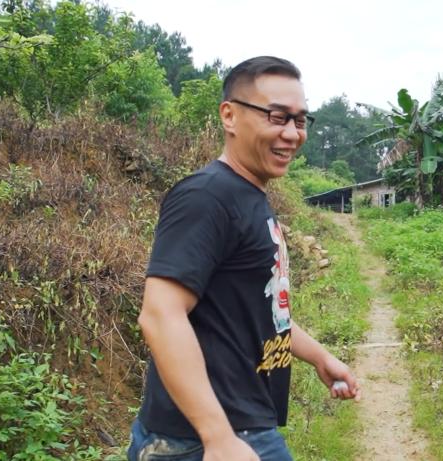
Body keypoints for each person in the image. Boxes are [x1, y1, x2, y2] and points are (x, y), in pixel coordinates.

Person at [128, 56, 360, 461]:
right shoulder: (206, 197)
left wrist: (319, 356)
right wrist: (217, 436)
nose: (292, 134)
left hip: (242, 426)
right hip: (198, 440)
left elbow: (259, 309)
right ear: (230, 116)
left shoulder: (250, 197)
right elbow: (160, 315)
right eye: (277, 117)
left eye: (300, 120)